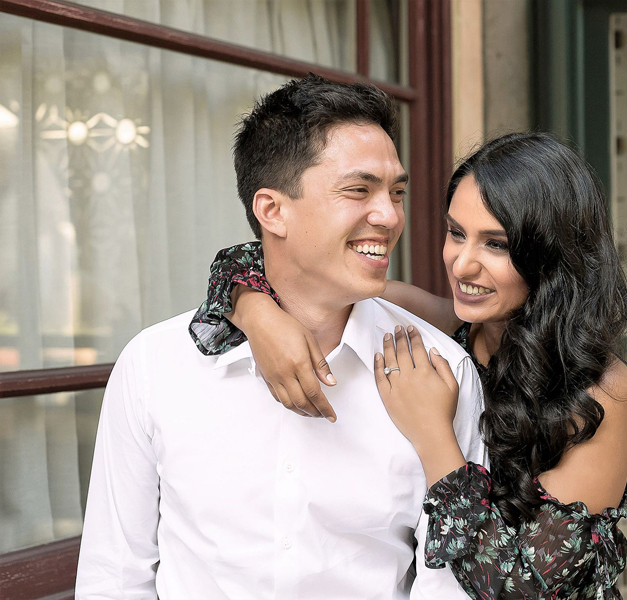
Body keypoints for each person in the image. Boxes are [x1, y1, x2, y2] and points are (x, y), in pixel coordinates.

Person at [75, 75, 485, 599]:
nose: (389, 216)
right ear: (272, 211)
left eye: (396, 192)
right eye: (358, 190)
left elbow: (445, 586)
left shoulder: (440, 370)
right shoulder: (155, 366)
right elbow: (114, 576)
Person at [191, 131, 627, 598]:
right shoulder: (440, 327)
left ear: (552, 254)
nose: (463, 265)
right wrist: (258, 314)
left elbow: (522, 591)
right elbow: (280, 267)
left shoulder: (598, 390)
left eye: (496, 244)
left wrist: (434, 436)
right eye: (456, 233)